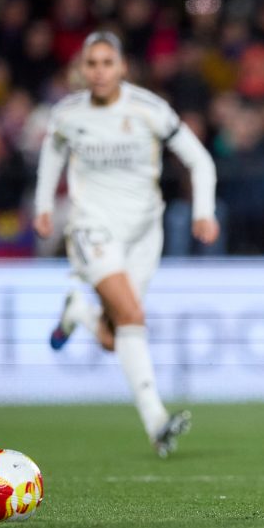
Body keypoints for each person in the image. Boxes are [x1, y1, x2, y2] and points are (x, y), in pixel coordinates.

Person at [34, 31, 219, 458]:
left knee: (112, 334)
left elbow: (199, 159)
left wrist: (203, 211)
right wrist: (44, 204)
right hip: (91, 226)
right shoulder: (67, 114)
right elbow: (51, 157)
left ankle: (80, 313)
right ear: (81, 68)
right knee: (132, 314)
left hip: (144, 232)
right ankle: (157, 422)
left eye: (106, 63)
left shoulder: (148, 109)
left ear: (122, 67)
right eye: (91, 63)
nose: (98, 72)